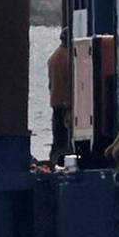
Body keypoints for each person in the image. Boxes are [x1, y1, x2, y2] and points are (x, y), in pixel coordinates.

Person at [46, 30, 72, 165]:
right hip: (65, 102)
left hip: (55, 100)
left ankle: (54, 160)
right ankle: (62, 161)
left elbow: (51, 83)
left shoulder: (53, 57)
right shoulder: (69, 58)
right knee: (65, 135)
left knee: (57, 136)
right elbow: (69, 82)